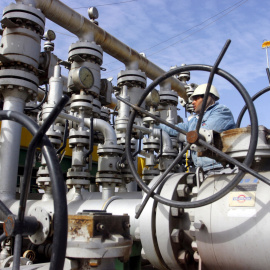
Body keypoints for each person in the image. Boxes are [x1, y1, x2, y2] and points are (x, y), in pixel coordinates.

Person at [158, 83, 235, 173]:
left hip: (220, 168)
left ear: (208, 97)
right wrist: (151, 122)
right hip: (202, 170)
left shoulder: (221, 111)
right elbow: (173, 129)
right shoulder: (195, 120)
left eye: (196, 98)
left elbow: (202, 135)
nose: (192, 102)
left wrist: (184, 136)